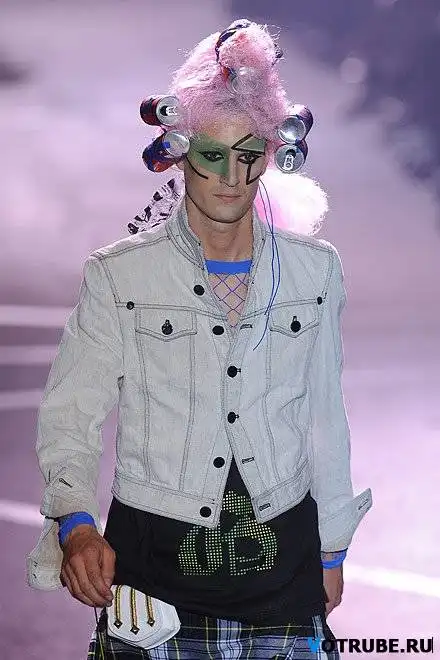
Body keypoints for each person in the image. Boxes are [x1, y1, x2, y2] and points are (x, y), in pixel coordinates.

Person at [26, 19, 372, 659]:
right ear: (179, 152)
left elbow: (325, 417)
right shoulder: (120, 277)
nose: (231, 176)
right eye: (212, 154)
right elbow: (71, 414)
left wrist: (333, 551)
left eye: (249, 154)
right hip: (152, 598)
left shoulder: (315, 272)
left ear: (271, 155)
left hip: (286, 586)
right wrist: (75, 523)